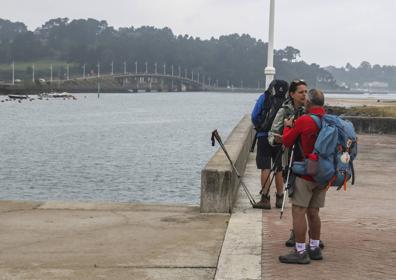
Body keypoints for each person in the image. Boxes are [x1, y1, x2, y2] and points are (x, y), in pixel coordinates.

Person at [278, 88, 326, 264]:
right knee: (314, 212)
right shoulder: (327, 120)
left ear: (309, 102)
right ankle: (314, 248)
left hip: (305, 173)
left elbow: (287, 141)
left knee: (299, 211)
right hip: (322, 173)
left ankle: (299, 251)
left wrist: (287, 127)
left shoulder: (305, 120)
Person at [251, 80, 289, 209]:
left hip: (263, 136)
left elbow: (254, 115)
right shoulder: (287, 101)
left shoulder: (264, 97)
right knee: (278, 168)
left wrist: (260, 127)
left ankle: (265, 199)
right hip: (279, 137)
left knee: (265, 167)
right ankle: (279, 198)